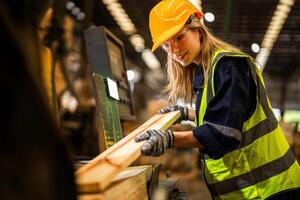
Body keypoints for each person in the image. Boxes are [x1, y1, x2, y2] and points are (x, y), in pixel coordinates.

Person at [134, 0, 300, 199]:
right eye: (167, 45)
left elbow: (223, 133)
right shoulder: (206, 70)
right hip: (254, 190)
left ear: (198, 30)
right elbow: (230, 114)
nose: (174, 50)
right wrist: (188, 114)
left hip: (270, 189)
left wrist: (170, 139)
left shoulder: (228, 65)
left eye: (179, 37)